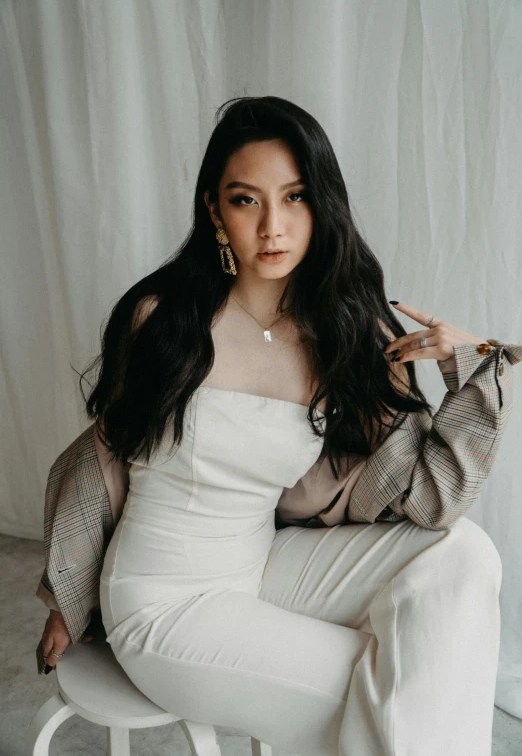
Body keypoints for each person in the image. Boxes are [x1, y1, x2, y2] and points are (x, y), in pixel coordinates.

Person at [38, 96, 521, 755]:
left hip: (263, 563)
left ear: (321, 205)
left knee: (466, 555)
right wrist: (66, 599)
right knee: (396, 685)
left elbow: (430, 500)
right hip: (163, 602)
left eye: (294, 197)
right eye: (246, 200)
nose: (274, 225)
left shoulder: (343, 336)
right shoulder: (163, 322)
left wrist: (474, 362)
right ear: (214, 209)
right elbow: (99, 462)